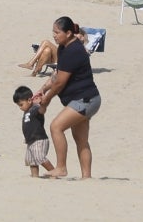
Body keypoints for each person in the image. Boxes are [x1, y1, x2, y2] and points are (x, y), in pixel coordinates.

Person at [33, 16, 101, 178]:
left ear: (69, 33)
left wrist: (46, 101)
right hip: (85, 99)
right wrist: (43, 88)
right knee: (80, 139)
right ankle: (86, 177)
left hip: (86, 100)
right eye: (53, 32)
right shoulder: (64, 48)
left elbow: (60, 84)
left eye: (57, 32)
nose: (54, 36)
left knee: (56, 127)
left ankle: (61, 167)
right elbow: (57, 75)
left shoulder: (74, 51)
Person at [14, 85, 55, 177]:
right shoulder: (26, 111)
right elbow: (28, 126)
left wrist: (42, 104)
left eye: (21, 104)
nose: (20, 107)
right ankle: (35, 176)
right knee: (31, 161)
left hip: (39, 139)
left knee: (39, 158)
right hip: (31, 141)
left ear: (29, 100)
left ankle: (53, 172)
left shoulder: (35, 108)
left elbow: (42, 111)